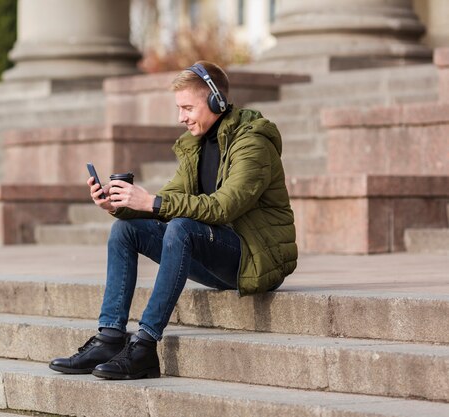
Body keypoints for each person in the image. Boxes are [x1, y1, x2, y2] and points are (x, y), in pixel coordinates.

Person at [49, 61, 297, 380]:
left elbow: (224, 207)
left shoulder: (252, 143)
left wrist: (152, 201)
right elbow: (169, 199)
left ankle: (144, 346)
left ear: (215, 101)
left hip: (254, 260)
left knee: (181, 227)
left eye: (187, 107)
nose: (181, 117)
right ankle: (110, 337)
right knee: (126, 230)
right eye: (179, 108)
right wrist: (118, 205)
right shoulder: (195, 147)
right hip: (214, 255)